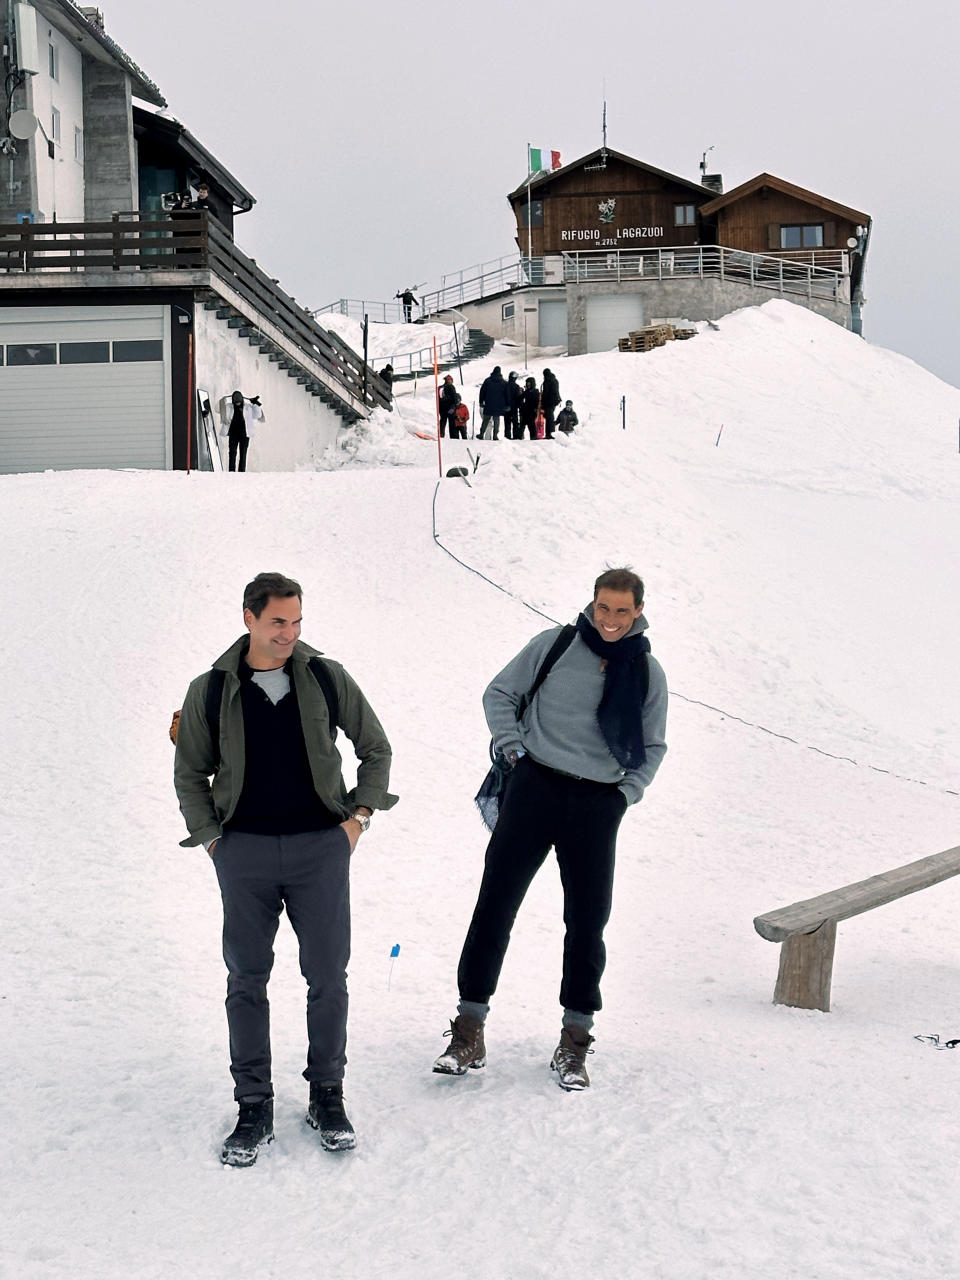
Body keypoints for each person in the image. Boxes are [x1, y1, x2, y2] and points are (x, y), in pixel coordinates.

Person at [174, 572, 397, 1166]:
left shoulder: (325, 676)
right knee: (246, 979)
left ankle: (328, 1095)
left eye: (297, 621)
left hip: (319, 849)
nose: (290, 633)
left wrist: (358, 819)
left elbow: (376, 747)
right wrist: (214, 842)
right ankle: (254, 1104)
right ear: (249, 617)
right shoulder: (212, 688)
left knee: (328, 976)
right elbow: (189, 773)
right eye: (278, 622)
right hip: (242, 851)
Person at [432, 567, 667, 1091]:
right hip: (534, 788)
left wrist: (623, 796)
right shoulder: (555, 644)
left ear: (638, 612)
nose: (609, 620)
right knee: (495, 904)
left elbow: (653, 747)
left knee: (587, 922)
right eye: (603, 608)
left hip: (597, 804)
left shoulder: (648, 673)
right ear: (591, 604)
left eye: (621, 611)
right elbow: (500, 694)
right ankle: (468, 1028)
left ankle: (574, 1039)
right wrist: (511, 748)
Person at [220, 390, 263, 472]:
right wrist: (222, 400)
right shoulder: (229, 406)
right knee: (232, 453)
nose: (237, 404)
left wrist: (255, 404)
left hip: (245, 434)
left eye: (239, 402)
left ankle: (241, 472)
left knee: (243, 454)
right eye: (236, 402)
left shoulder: (248, 407)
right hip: (233, 434)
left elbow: (258, 415)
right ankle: (231, 471)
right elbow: (217, 409)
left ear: (242, 400)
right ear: (233, 401)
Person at [478, 365, 510, 440]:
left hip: (489, 403)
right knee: (496, 419)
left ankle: (481, 434)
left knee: (486, 419)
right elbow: (507, 395)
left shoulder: (487, 381)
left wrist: (481, 401)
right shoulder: (504, 383)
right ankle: (495, 435)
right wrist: (508, 404)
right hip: (499, 405)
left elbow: (482, 392)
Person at [541, 368, 561, 439]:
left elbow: (546, 393)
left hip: (548, 402)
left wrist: (543, 403)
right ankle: (551, 433)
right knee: (550, 417)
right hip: (554, 402)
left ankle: (549, 434)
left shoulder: (547, 381)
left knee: (549, 418)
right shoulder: (555, 380)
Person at [504, 371, 522, 440]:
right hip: (514, 407)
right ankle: (516, 436)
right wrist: (519, 405)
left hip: (506, 407)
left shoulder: (505, 385)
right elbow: (518, 397)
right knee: (515, 422)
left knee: (507, 422)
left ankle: (507, 436)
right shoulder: (516, 386)